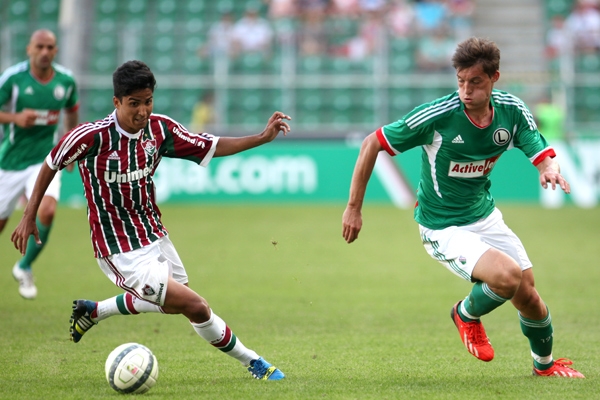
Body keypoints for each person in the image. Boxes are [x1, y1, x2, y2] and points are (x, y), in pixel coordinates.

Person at [11, 60, 289, 381]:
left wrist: (261, 137)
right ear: (116, 102)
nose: (142, 111)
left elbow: (210, 145)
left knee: (173, 303)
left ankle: (94, 311)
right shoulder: (92, 137)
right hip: (118, 248)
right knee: (195, 306)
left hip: (153, 234)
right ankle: (255, 363)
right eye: (134, 104)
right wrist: (29, 214)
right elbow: (51, 162)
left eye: (148, 102)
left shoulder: (160, 130)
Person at [342, 37, 585, 378]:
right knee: (507, 277)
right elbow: (372, 142)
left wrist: (550, 171)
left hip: (484, 216)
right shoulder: (438, 115)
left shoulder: (511, 111)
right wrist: (354, 207)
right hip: (442, 225)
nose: (466, 90)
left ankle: (544, 367)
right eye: (460, 82)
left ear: (494, 78)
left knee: (528, 293)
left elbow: (540, 153)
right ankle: (465, 314)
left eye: (475, 82)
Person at [0, 29, 79, 299]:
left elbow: (72, 111)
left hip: (45, 160)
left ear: (55, 51)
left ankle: (24, 266)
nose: (45, 52)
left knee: (46, 211)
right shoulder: (13, 79)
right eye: (40, 47)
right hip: (10, 162)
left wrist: (70, 146)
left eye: (50, 47)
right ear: (29, 49)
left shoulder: (66, 81)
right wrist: (15, 118)